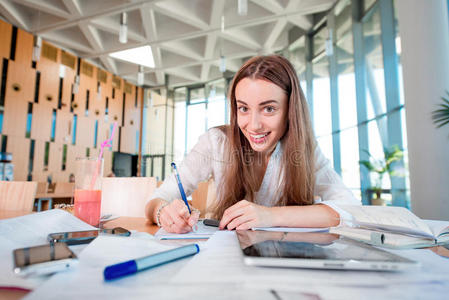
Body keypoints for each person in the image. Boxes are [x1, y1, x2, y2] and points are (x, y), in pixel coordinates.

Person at [145, 55, 361, 234]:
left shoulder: (304, 149)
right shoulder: (216, 142)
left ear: (290, 110)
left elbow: (351, 210)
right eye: (244, 109)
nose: (254, 125)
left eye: (268, 109)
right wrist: (163, 212)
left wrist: (269, 215)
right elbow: (157, 199)